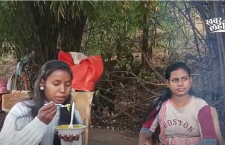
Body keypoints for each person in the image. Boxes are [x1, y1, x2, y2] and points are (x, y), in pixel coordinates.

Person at [0, 60, 83, 145]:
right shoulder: (21, 111)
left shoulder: (73, 114)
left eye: (67, 85)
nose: (63, 90)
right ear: (42, 84)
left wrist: (68, 142)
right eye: (56, 84)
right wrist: (39, 122)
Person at [138, 62, 217, 145]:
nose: (180, 84)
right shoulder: (160, 104)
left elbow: (209, 140)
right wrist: (144, 141)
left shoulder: (201, 106)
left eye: (184, 79)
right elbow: (146, 129)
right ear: (168, 83)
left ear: (190, 80)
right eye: (175, 80)